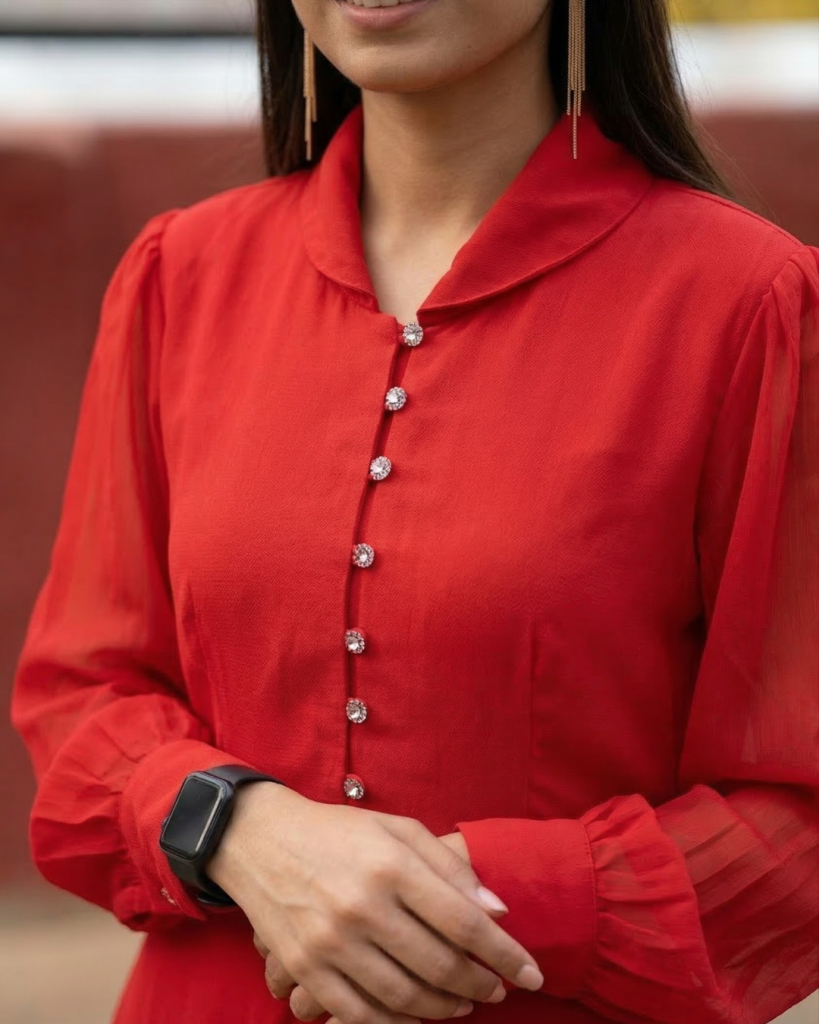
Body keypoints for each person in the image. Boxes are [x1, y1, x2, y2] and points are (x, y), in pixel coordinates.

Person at [10, 1, 818, 1023]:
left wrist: (492, 898)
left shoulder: (747, 305)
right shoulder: (181, 276)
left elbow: (798, 817)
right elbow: (83, 696)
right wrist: (244, 833)